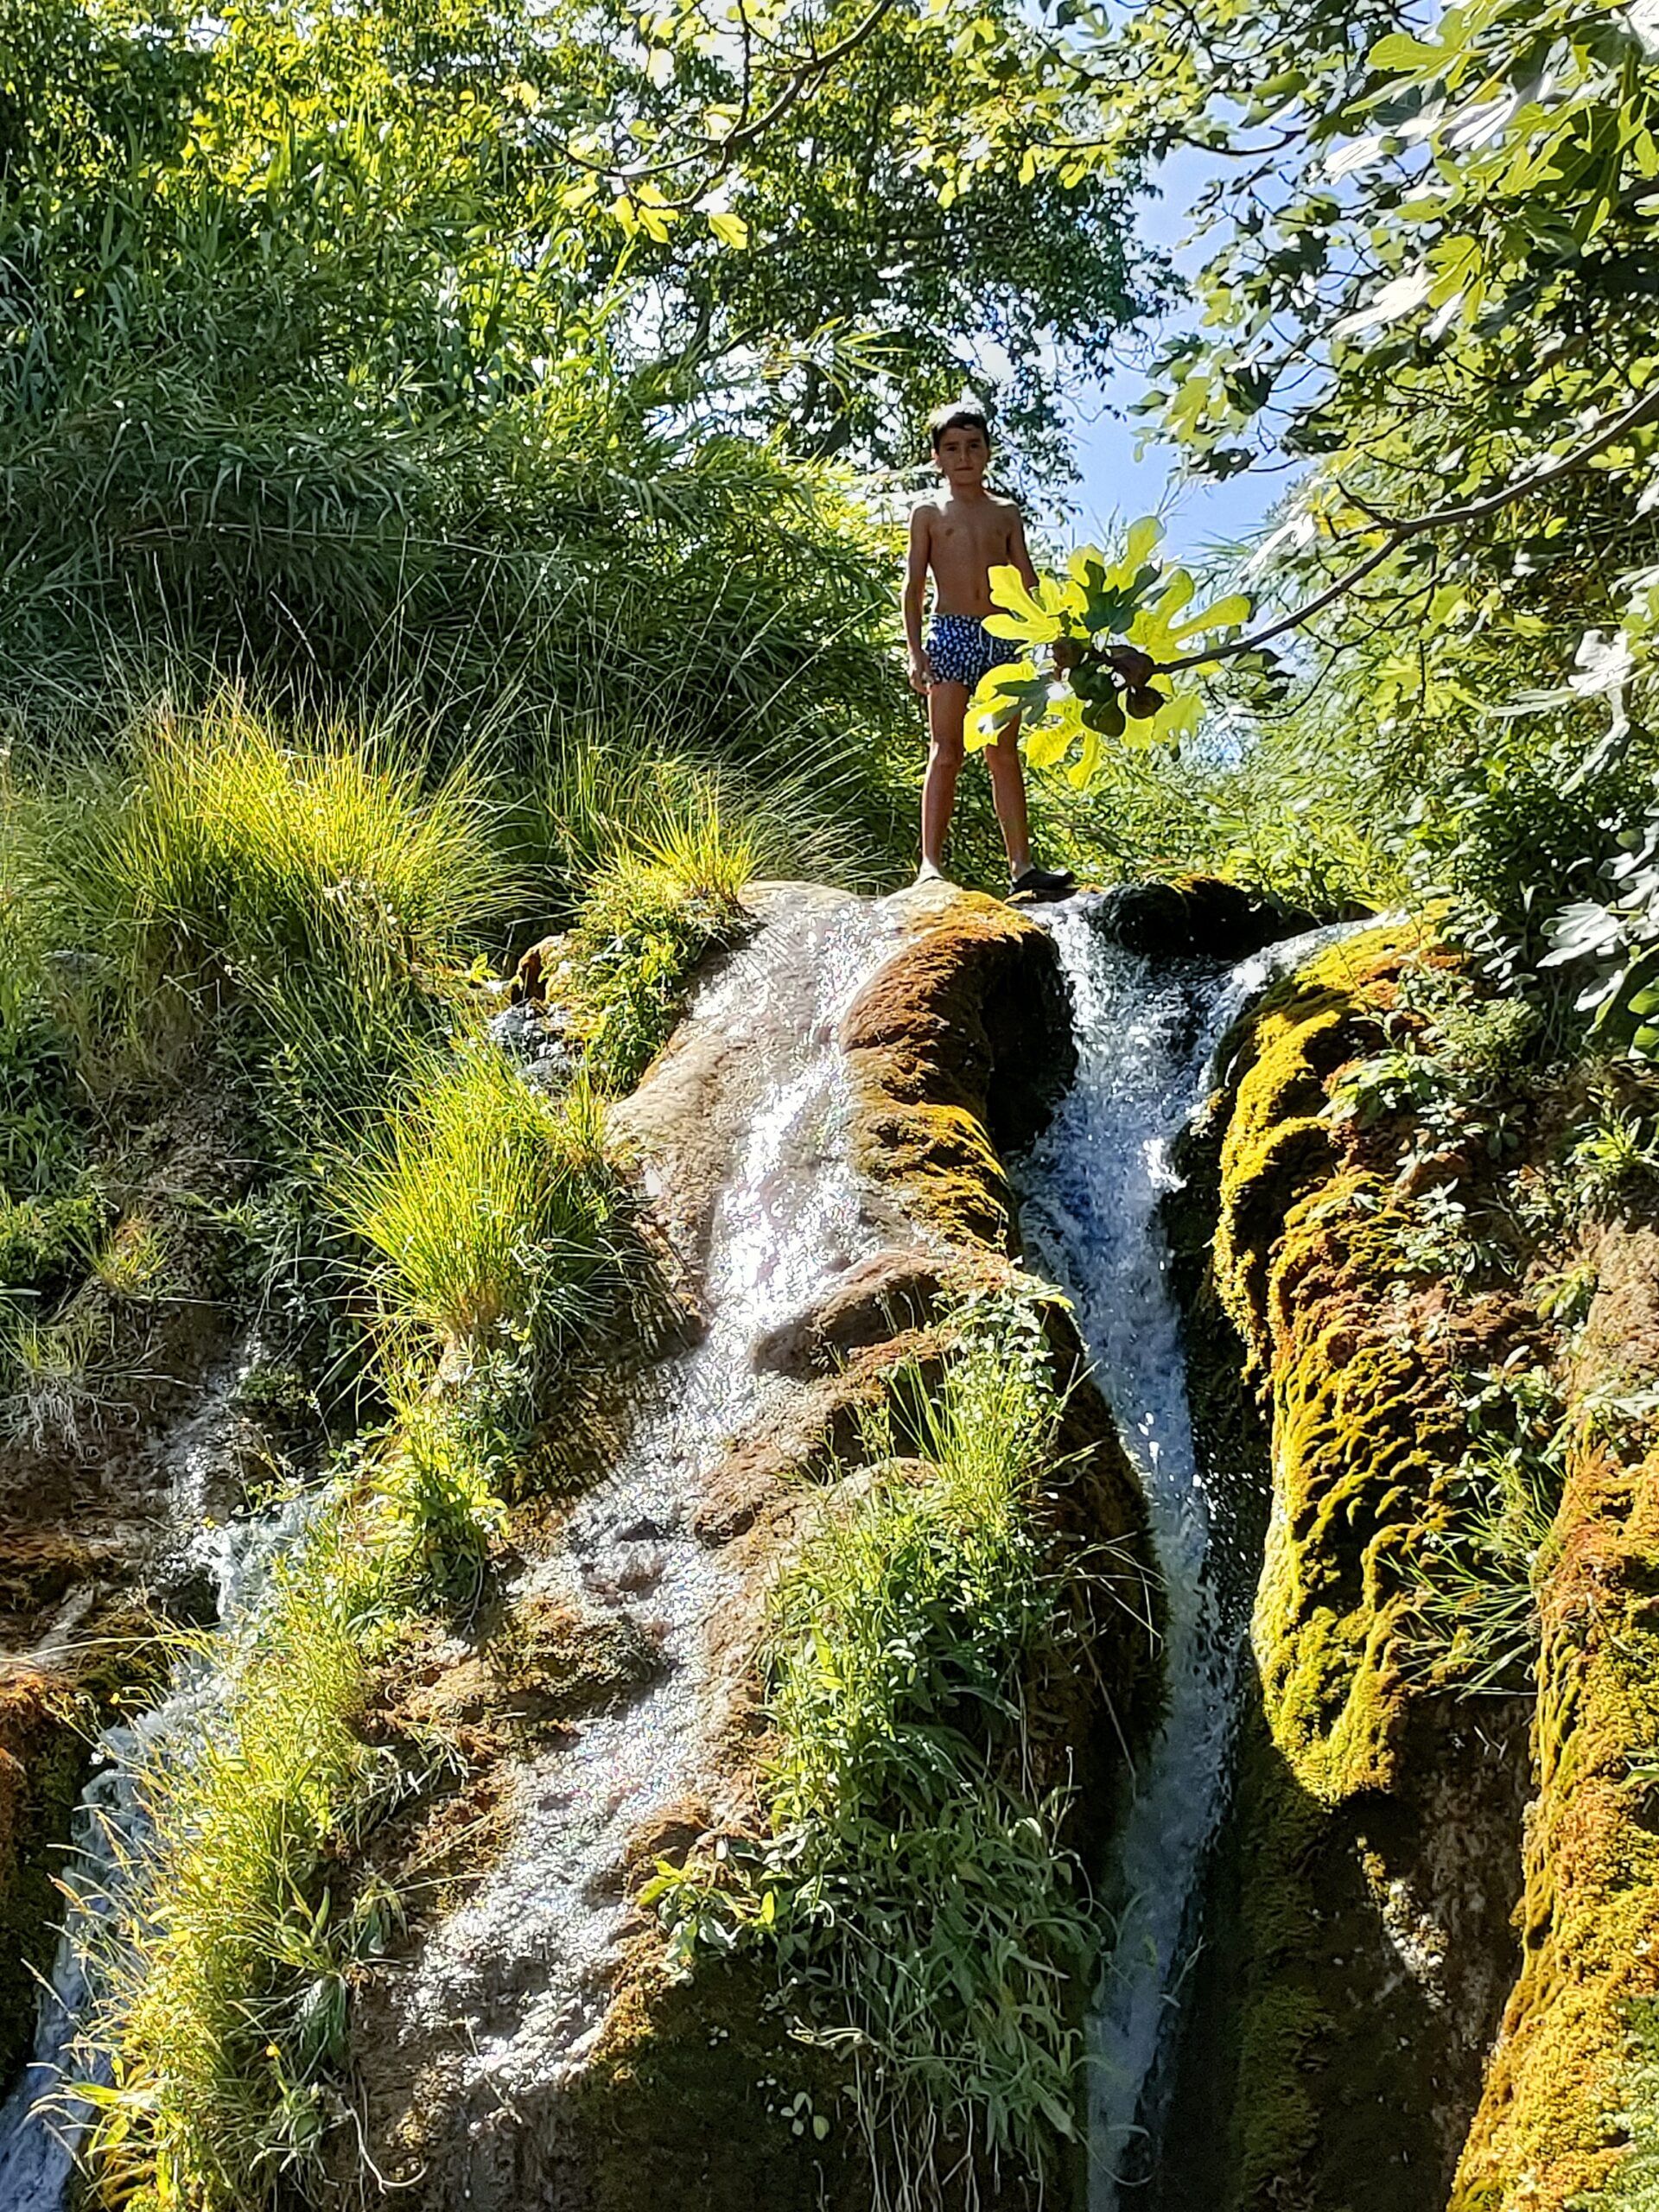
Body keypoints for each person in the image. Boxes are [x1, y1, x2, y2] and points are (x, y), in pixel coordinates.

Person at [903, 401, 1075, 899]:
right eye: (952, 449)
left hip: (1002, 634)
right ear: (937, 458)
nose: (963, 457)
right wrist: (917, 652)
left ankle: (1021, 865)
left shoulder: (1004, 513)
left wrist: (1051, 638)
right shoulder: (929, 513)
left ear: (987, 453)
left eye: (973, 447)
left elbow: (1028, 578)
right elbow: (913, 586)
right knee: (947, 750)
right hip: (951, 632)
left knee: (1003, 751)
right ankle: (930, 866)